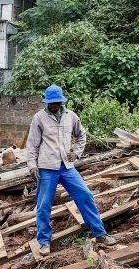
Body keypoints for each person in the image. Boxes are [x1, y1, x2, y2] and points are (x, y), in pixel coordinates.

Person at [26, 85, 117, 255]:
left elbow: (81, 135)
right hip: (47, 168)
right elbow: (32, 144)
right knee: (44, 205)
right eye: (51, 103)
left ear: (61, 101)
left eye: (57, 102)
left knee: (85, 196)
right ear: (47, 102)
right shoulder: (39, 118)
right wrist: (32, 165)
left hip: (67, 167)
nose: (55, 105)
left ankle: (100, 234)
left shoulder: (71, 116)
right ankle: (44, 242)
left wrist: (77, 152)